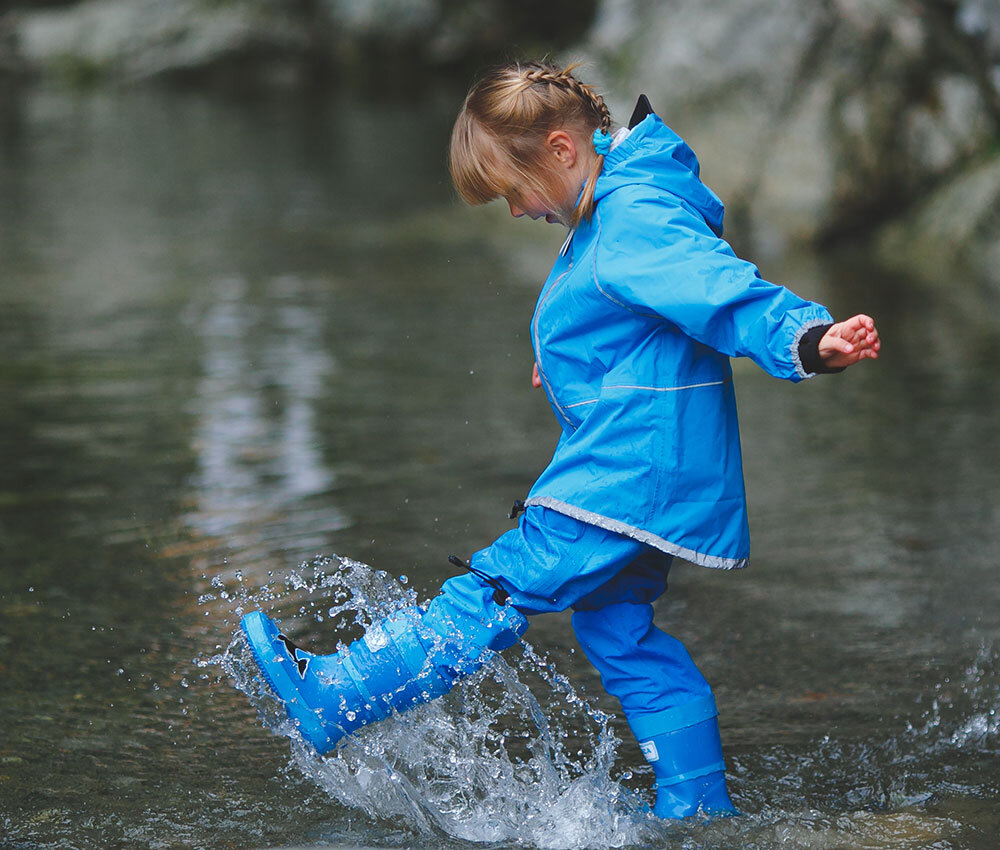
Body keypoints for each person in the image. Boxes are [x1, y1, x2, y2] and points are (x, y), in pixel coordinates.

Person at [239, 61, 880, 820]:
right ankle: (700, 809)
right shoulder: (614, 208)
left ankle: (338, 698)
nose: (514, 211)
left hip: (625, 473)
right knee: (621, 637)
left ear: (564, 150)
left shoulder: (634, 212)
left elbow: (718, 290)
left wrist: (806, 338)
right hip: (645, 473)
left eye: (515, 191)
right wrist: (575, 361)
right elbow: (631, 313)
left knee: (501, 582)